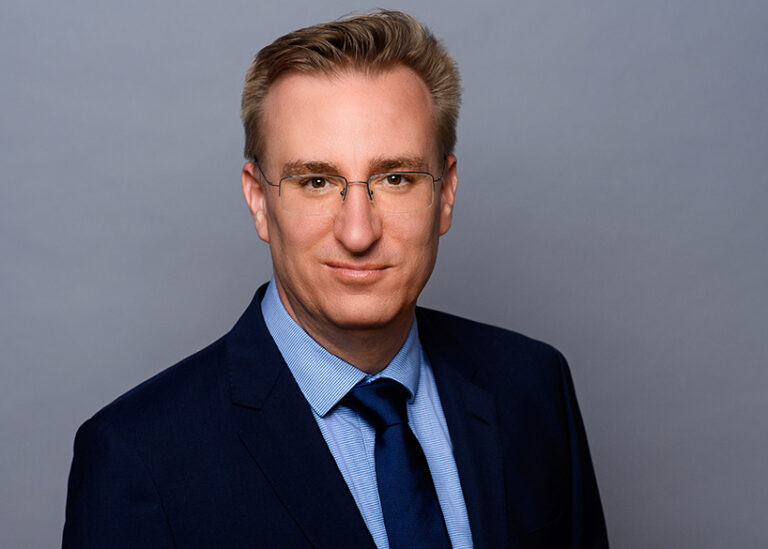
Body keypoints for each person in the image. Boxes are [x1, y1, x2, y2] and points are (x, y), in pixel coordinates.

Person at [63, 10, 608, 549]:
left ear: (445, 194)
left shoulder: (533, 388)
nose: (358, 232)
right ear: (259, 201)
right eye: (316, 182)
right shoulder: (138, 456)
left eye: (396, 178)